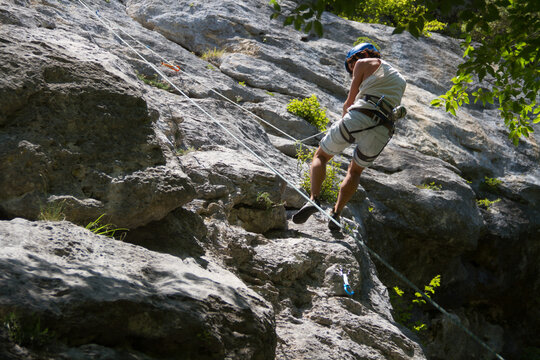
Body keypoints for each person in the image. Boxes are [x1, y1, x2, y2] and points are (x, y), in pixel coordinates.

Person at [292, 43, 407, 230]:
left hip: (359, 115)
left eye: (350, 65)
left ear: (357, 56)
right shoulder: (401, 79)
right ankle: (336, 214)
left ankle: (313, 199)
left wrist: (344, 121)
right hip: (383, 129)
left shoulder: (362, 63)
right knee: (355, 172)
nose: (352, 70)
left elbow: (349, 102)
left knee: (321, 156)